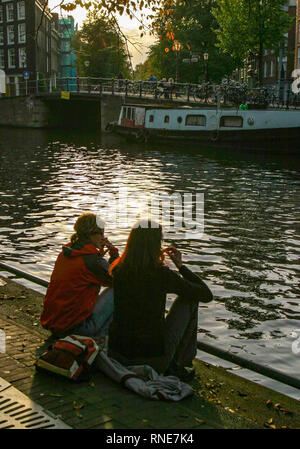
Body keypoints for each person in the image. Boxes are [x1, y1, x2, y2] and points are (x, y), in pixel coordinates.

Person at [107, 220, 213, 381]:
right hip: (151, 360)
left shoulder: (119, 271)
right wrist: (181, 266)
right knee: (189, 299)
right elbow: (206, 294)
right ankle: (178, 365)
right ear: (155, 245)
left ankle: (176, 364)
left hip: (116, 353)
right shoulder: (161, 274)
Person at [40, 213, 119, 340]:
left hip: (54, 323)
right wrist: (114, 254)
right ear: (92, 234)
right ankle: (100, 340)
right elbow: (119, 278)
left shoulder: (67, 253)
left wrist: (99, 256)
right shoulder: (92, 261)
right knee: (121, 289)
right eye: (101, 234)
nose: (103, 238)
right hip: (77, 328)